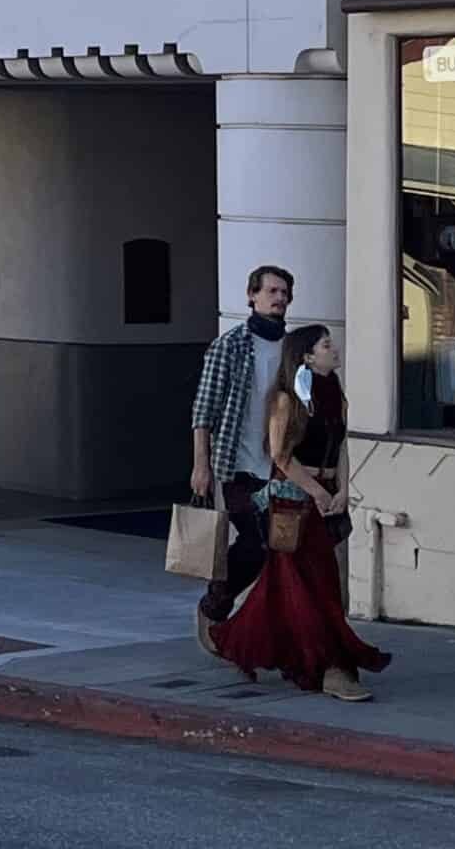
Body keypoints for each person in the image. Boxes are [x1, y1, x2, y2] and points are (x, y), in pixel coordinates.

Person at [210, 325, 390, 701]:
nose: (334, 349)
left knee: (287, 585)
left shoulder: (336, 397)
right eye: (326, 345)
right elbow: (281, 456)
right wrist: (319, 492)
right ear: (306, 356)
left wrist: (342, 489)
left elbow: (341, 447)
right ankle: (329, 666)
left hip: (323, 494)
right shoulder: (287, 399)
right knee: (311, 582)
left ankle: (242, 638)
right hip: (293, 501)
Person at [190, 264, 296, 654]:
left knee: (283, 548)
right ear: (252, 296)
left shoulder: (293, 349)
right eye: (271, 291)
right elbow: (204, 409)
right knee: (254, 542)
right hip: (237, 465)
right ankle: (214, 605)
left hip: (282, 467)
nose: (279, 298)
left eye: (284, 292)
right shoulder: (230, 345)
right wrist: (201, 465)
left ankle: (267, 627)